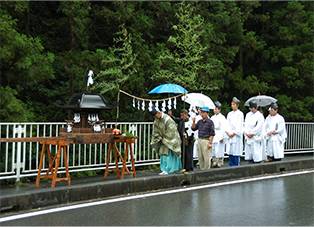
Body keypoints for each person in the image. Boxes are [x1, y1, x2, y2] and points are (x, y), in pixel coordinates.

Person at [150, 107, 182, 175]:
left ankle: (170, 169)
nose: (155, 117)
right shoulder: (156, 120)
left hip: (170, 140)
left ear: (159, 113)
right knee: (163, 155)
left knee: (169, 155)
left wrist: (164, 138)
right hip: (162, 139)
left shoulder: (168, 119)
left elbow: (172, 131)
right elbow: (155, 131)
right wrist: (158, 137)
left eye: (156, 115)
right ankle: (164, 169)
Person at [226, 97, 244, 166]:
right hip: (230, 135)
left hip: (236, 136)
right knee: (230, 152)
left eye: (234, 104)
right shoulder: (229, 114)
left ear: (237, 105)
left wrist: (234, 133)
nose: (232, 106)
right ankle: (231, 166)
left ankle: (236, 167)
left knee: (236, 152)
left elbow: (240, 125)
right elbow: (227, 124)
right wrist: (228, 132)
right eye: (232, 104)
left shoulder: (240, 114)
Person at [210, 101, 228, 168]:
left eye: (216, 109)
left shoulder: (222, 117)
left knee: (219, 149)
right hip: (214, 134)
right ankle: (214, 161)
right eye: (214, 109)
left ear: (219, 110)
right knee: (214, 148)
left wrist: (223, 136)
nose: (215, 110)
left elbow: (224, 127)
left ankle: (220, 161)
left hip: (220, 134)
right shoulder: (212, 117)